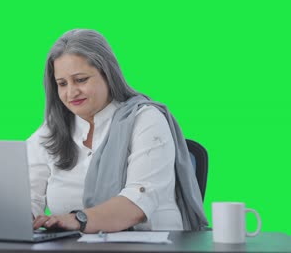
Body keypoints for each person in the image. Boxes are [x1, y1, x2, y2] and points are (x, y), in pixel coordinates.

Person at [27, 29, 207, 233]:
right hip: (76, 246)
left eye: (81, 80)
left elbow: (138, 204)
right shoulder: (52, 130)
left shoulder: (145, 120)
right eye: (62, 84)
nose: (71, 92)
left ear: (107, 74)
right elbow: (28, 196)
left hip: (151, 245)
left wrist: (77, 220)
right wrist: (23, 217)